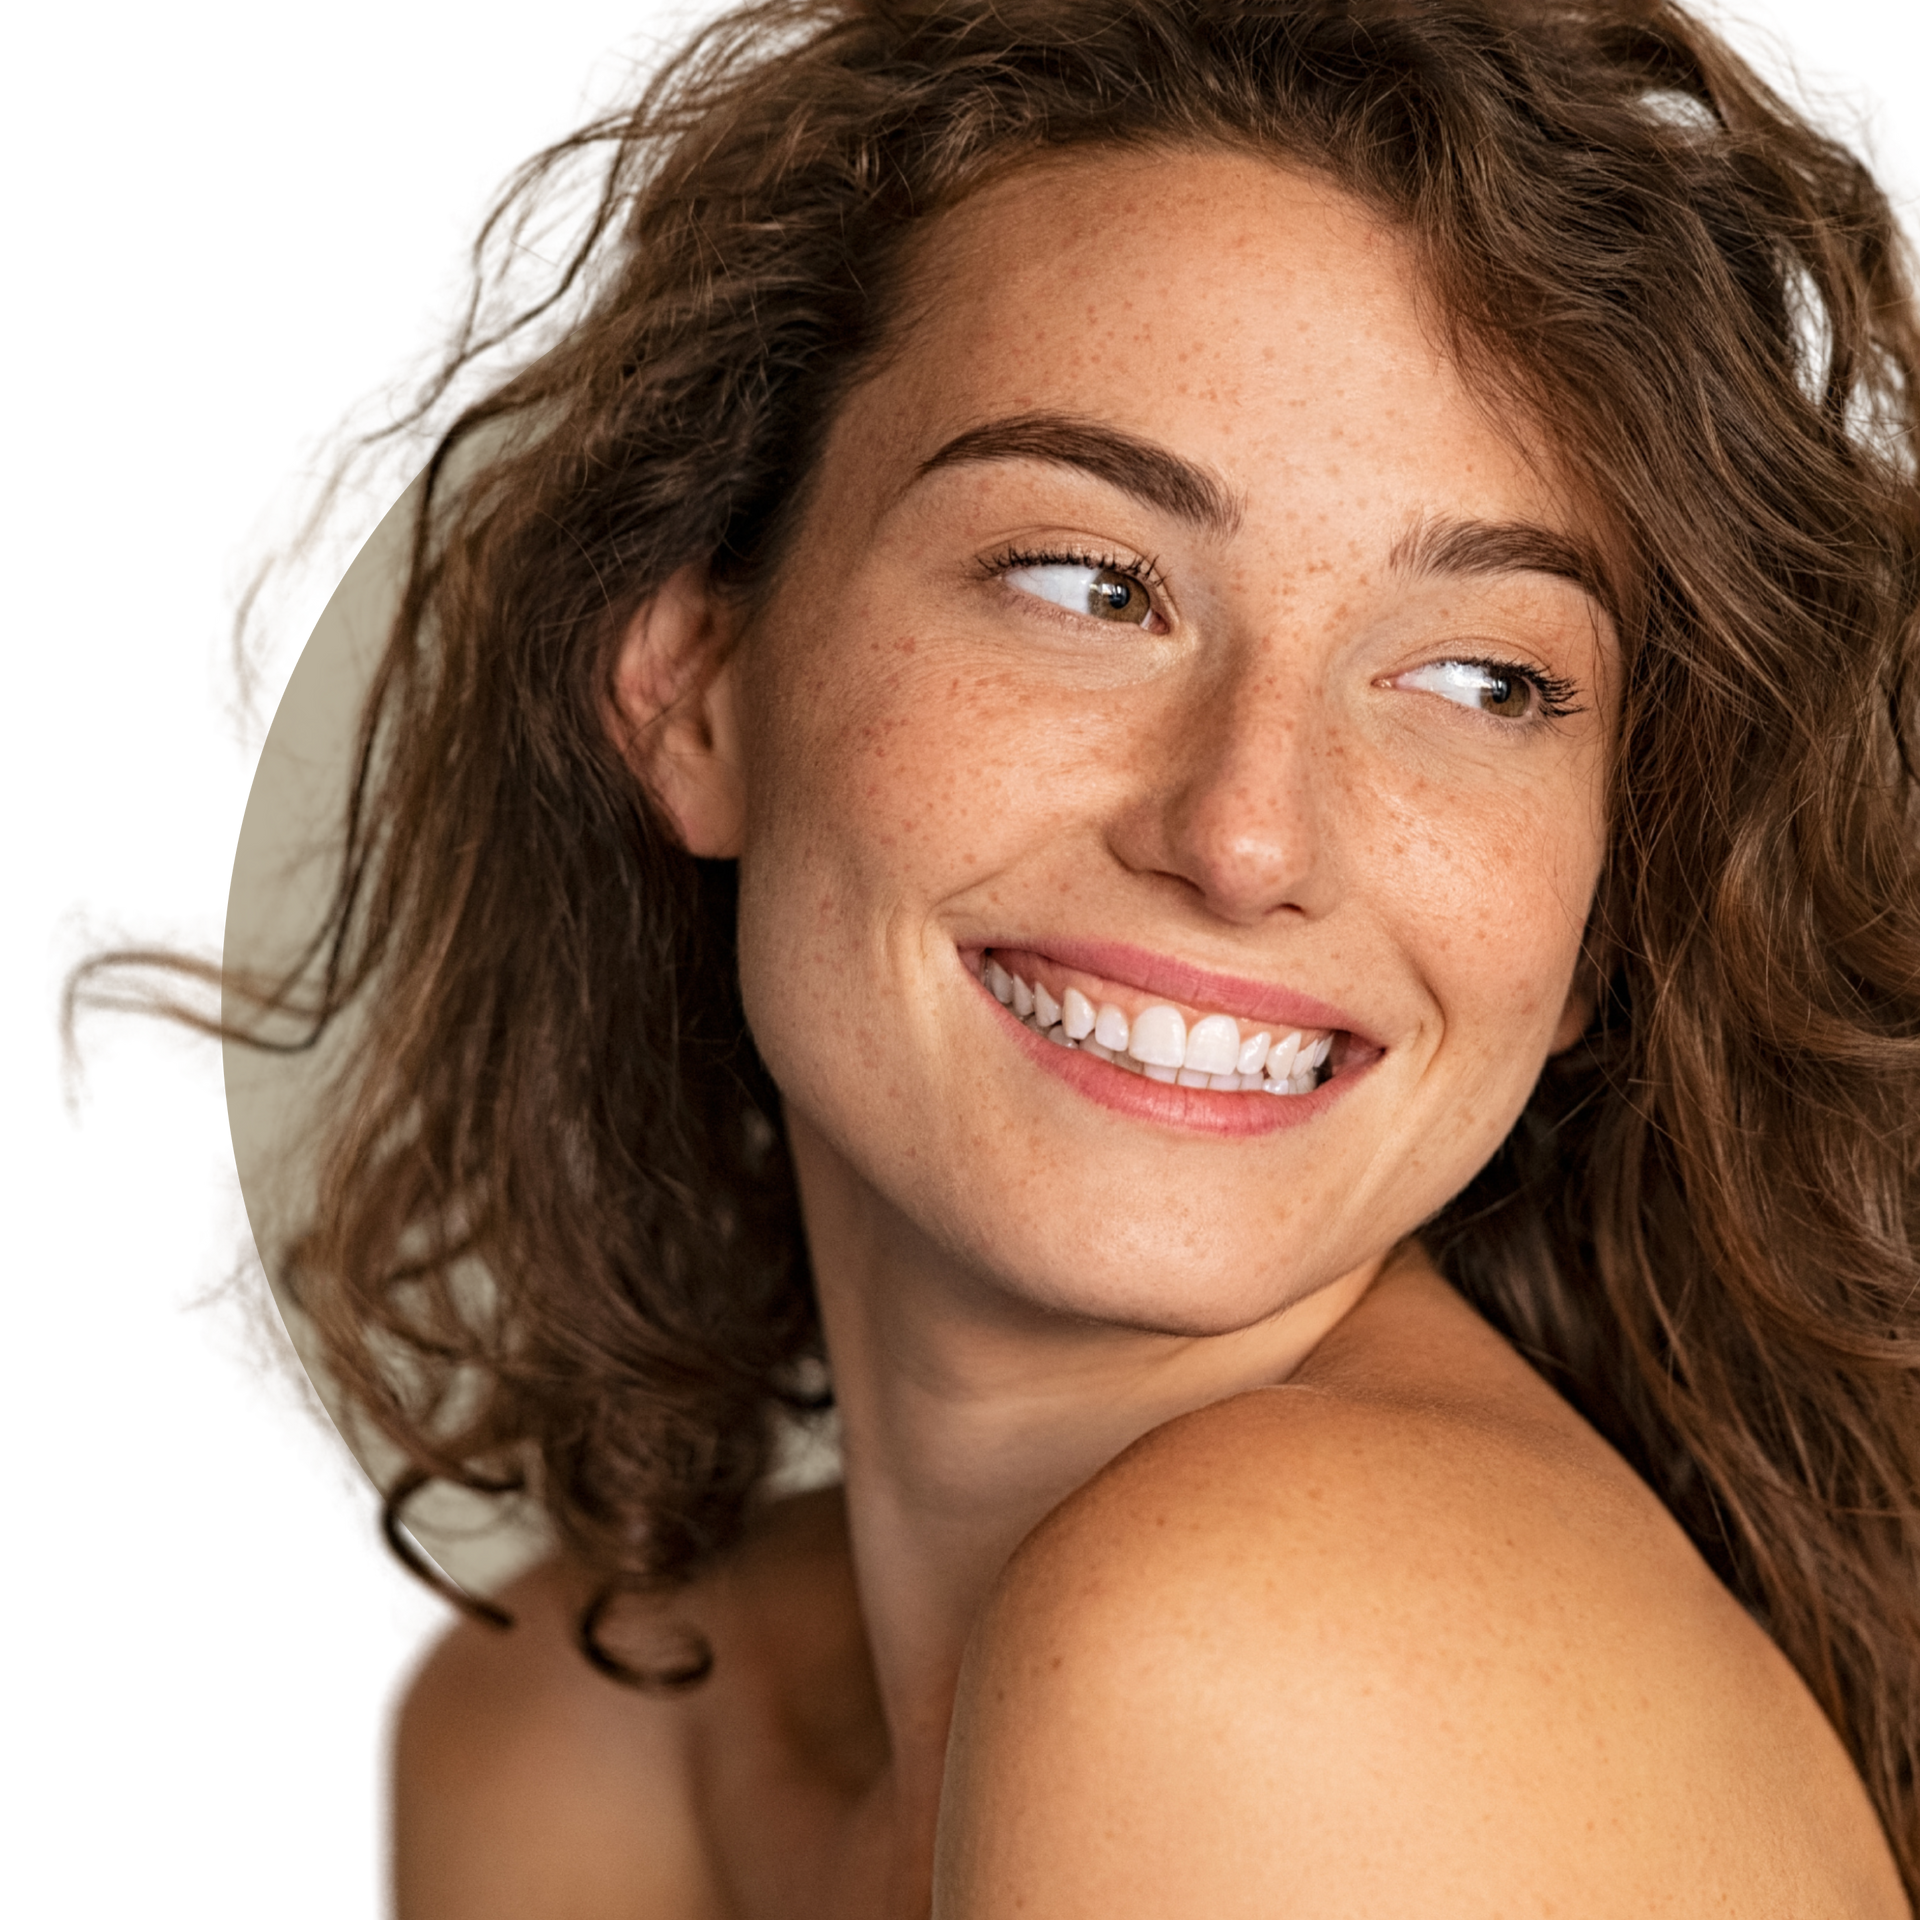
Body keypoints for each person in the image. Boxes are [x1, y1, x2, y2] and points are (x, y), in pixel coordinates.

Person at [246, 1, 1917, 1910]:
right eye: (1085, 582)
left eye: (1484, 676)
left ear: (1605, 901)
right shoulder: (564, 1719)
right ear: (696, 685)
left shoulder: (1270, 1651)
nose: (1246, 835)